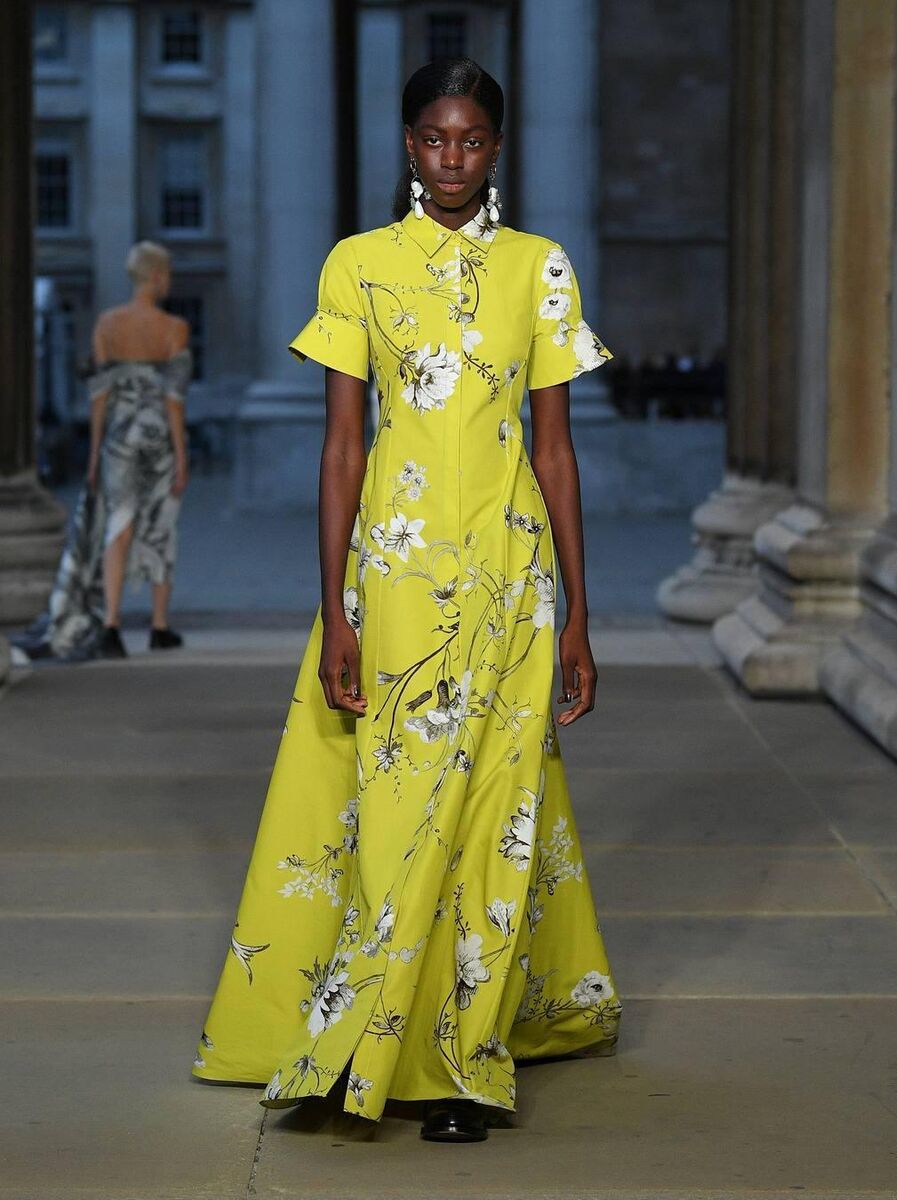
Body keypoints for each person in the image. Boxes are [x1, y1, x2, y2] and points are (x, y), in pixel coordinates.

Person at [192, 57, 622, 1143]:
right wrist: (331, 608)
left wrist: (579, 612)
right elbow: (343, 446)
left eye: (472, 140)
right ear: (407, 144)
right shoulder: (359, 266)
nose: (451, 159)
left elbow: (557, 455)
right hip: (390, 581)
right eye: (434, 138)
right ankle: (354, 1043)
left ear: (498, 149)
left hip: (512, 582)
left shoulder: (541, 269)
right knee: (387, 821)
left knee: (491, 821)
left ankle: (460, 1068)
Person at [13, 241, 191, 661]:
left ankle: (110, 623)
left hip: (118, 438)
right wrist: (182, 456)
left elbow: (99, 398)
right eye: (166, 273)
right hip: (157, 439)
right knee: (161, 526)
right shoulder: (174, 328)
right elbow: (174, 400)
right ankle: (159, 627)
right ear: (156, 276)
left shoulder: (107, 325)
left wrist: (92, 455)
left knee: (118, 525)